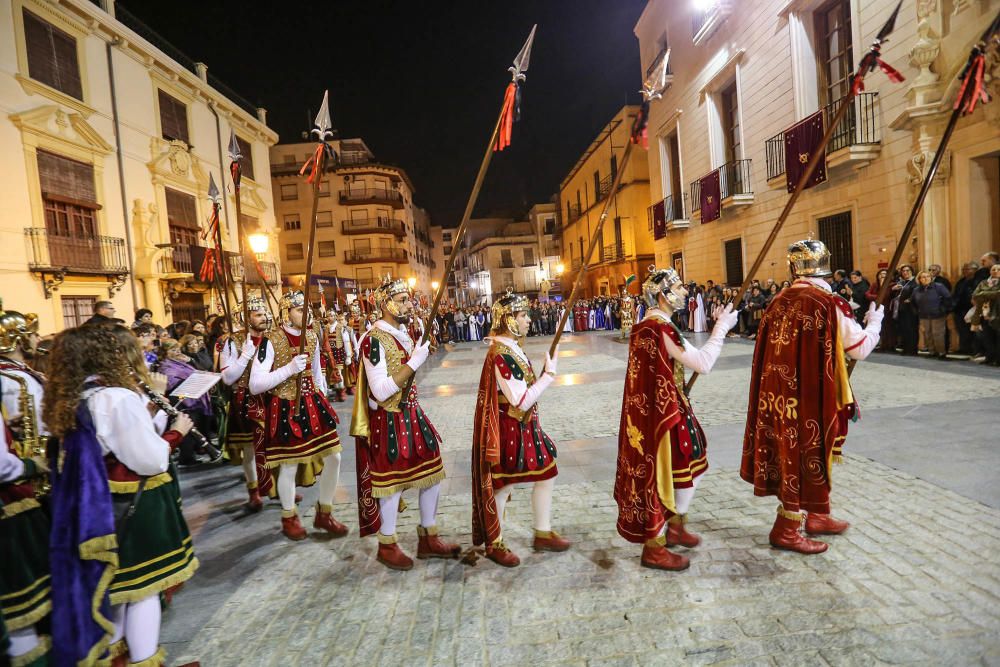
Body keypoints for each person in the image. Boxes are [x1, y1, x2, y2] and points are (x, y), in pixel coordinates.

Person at [45, 325, 197, 665]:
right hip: (133, 505)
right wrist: (176, 433)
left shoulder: (76, 395)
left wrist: (154, 413)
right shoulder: (117, 396)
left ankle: (115, 657)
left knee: (115, 592)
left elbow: (113, 441)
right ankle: (145, 659)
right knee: (142, 591)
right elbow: (149, 457)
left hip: (95, 507)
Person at [741, 240, 883, 555]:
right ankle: (787, 529)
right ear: (826, 266)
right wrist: (875, 323)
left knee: (791, 449)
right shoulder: (827, 301)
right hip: (808, 395)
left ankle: (818, 514)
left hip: (776, 394)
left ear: (793, 268)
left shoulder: (779, 299)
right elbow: (858, 347)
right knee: (804, 451)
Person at [614, 267, 739, 571]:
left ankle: (677, 523)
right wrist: (721, 328)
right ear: (662, 295)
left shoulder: (647, 325)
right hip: (664, 413)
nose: (684, 291)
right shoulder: (660, 327)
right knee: (666, 473)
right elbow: (703, 362)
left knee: (691, 463)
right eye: (679, 286)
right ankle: (654, 546)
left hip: (665, 408)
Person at [351, 277, 459, 570]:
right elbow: (381, 390)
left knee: (432, 470)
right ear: (385, 304)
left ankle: (428, 536)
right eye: (401, 300)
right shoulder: (374, 339)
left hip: (412, 412)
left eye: (407, 299)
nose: (408, 304)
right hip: (388, 418)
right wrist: (415, 362)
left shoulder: (403, 333)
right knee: (392, 483)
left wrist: (417, 356)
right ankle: (387, 543)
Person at [471, 290, 569, 568]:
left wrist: (542, 374)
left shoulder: (511, 348)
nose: (528, 319)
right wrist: (548, 376)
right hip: (509, 429)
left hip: (525, 426)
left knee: (547, 472)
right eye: (523, 315)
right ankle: (495, 542)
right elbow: (520, 399)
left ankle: (542, 531)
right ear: (508, 319)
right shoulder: (502, 354)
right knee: (502, 485)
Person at [249, 290, 346, 540]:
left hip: (313, 403)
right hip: (285, 407)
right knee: (289, 466)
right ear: (286, 313)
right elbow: (255, 384)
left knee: (334, 457)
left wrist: (323, 393)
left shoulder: (312, 336)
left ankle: (324, 512)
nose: (306, 314)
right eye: (299, 309)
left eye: (307, 309)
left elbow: (317, 371)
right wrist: (289, 369)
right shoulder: (271, 340)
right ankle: (289, 515)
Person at [0, 306, 51, 667]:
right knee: (23, 601)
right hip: (15, 497)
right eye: (31, 333)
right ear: (17, 339)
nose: (37, 339)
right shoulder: (12, 380)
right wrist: (34, 463)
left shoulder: (19, 376)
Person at [219, 297, 272, 510]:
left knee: (275, 445)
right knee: (250, 449)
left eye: (265, 313)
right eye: (258, 314)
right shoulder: (231, 341)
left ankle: (276, 488)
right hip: (245, 400)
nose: (265, 317)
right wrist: (245, 355)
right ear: (245, 317)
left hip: (270, 398)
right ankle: (254, 490)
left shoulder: (273, 338)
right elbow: (228, 378)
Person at [912, 270, 952, 359]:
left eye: (927, 276)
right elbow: (913, 302)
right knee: (927, 334)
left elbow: (948, 298)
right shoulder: (916, 290)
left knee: (938, 334)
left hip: (938, 315)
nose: (925, 278)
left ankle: (941, 353)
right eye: (923, 277)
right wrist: (916, 311)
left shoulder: (939, 287)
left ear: (931, 278)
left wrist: (943, 309)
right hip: (923, 316)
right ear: (919, 279)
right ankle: (932, 351)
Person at [971, 263, 1000, 366]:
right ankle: (989, 357)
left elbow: (998, 294)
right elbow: (975, 296)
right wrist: (990, 294)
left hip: (997, 314)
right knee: (986, 337)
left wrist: (983, 294)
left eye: (998, 269)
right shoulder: (983, 282)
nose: (995, 271)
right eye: (993, 269)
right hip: (984, 314)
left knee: (998, 337)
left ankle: (998, 359)